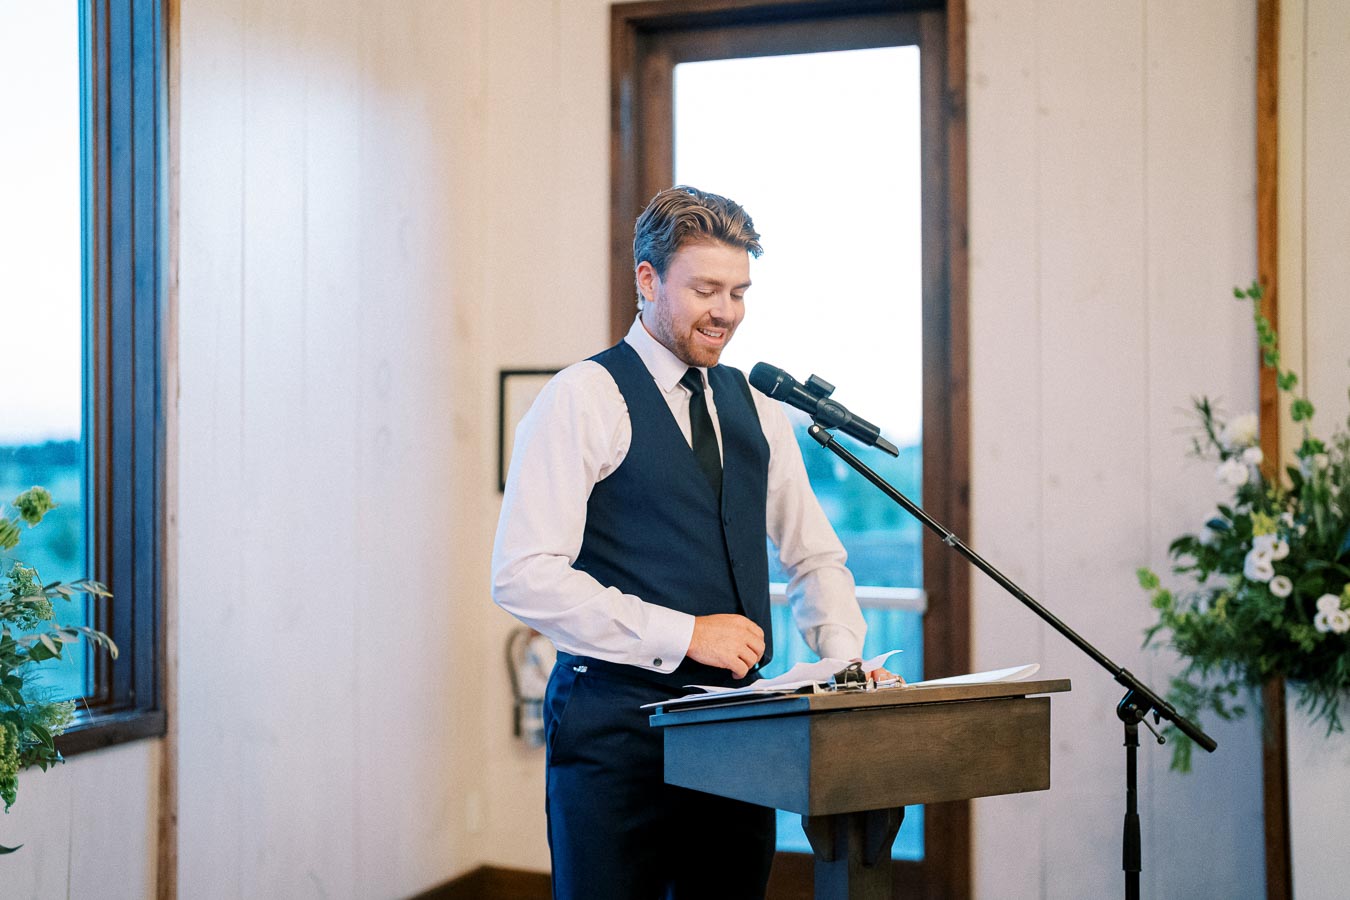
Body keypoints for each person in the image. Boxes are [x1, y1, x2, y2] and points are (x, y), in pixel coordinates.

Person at [491, 185, 870, 899]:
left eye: (738, 291)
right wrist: (686, 632)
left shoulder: (758, 407)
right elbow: (522, 574)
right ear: (647, 279)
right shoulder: (583, 397)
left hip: (738, 738)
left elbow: (814, 556)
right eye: (704, 289)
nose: (725, 311)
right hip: (614, 738)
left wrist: (841, 665)